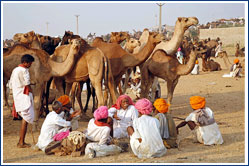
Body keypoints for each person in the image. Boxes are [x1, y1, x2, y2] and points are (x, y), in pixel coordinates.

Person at [9, 54, 35, 148]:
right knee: (26, 118)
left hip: (17, 96)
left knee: (25, 117)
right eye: (30, 63)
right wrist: (32, 92)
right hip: (24, 96)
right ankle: (21, 142)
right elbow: (27, 84)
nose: (30, 65)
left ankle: (21, 141)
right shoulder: (25, 71)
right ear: (25, 62)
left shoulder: (15, 70)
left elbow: (10, 84)